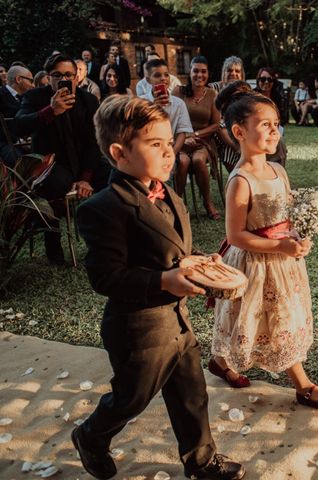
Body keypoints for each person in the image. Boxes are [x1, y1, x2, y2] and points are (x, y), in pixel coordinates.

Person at [73, 95, 245, 480]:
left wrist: (200, 261)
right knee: (131, 399)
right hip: (138, 328)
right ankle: (90, 436)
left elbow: (172, 250)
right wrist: (164, 280)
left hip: (177, 321)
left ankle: (201, 462)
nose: (169, 153)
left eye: (170, 143)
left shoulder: (166, 191)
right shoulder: (103, 207)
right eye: (156, 145)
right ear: (119, 152)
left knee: (191, 394)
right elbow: (105, 277)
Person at [210, 87, 318, 410]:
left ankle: (218, 361)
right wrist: (279, 247)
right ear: (239, 132)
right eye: (265, 124)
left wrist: (298, 235)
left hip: (283, 261)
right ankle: (303, 384)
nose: (274, 130)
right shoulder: (240, 180)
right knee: (257, 318)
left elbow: (287, 215)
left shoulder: (279, 171)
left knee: (272, 318)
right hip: (255, 262)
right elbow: (236, 235)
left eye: (276, 123)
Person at [13, 54, 110, 265]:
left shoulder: (89, 100)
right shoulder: (36, 97)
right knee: (55, 184)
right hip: (51, 166)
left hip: (85, 164)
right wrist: (50, 111)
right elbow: (18, 125)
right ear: (48, 77)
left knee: (112, 177)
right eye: (57, 75)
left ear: (77, 78)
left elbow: (95, 142)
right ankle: (54, 250)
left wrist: (85, 177)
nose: (63, 79)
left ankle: (106, 244)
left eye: (68, 75)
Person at [173, 56, 222, 220]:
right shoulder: (178, 92)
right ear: (190, 72)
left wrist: (195, 134)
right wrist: (184, 137)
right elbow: (169, 118)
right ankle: (177, 203)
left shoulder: (212, 94)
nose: (199, 75)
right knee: (184, 161)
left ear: (207, 74)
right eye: (196, 71)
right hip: (180, 141)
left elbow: (216, 125)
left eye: (203, 71)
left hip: (203, 142)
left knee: (198, 160)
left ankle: (208, 203)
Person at [140, 58, 193, 160]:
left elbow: (182, 132)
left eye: (166, 74)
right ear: (148, 79)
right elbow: (138, 129)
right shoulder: (141, 102)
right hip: (147, 152)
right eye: (157, 75)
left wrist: (172, 154)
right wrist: (153, 108)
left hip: (170, 150)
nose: (163, 78)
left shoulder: (178, 103)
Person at [209, 56, 245, 171]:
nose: (233, 73)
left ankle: (243, 177)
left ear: (242, 75)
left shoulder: (245, 91)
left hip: (237, 132)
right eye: (229, 70)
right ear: (223, 73)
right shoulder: (213, 88)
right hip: (216, 133)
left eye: (237, 71)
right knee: (222, 127)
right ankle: (239, 175)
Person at [0, 65, 35, 166]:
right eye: (30, 81)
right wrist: (18, 140)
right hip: (5, 143)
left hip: (25, 142)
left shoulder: (28, 97)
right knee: (21, 162)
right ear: (18, 79)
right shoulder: (1, 94)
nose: (33, 85)